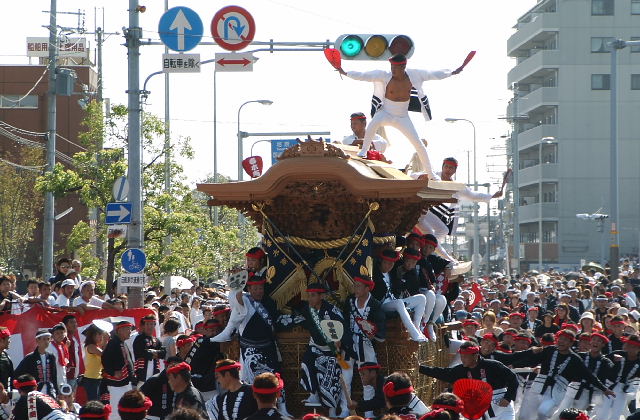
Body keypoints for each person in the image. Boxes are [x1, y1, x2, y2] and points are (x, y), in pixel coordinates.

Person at [337, 53, 471, 178]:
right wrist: (345, 72)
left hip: (402, 116)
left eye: (396, 67)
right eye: (391, 67)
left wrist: (452, 72)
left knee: (418, 144)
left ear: (403, 66)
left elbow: (434, 74)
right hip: (385, 112)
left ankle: (431, 174)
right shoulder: (384, 75)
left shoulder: (415, 75)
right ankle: (364, 151)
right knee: (372, 124)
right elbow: (364, 75)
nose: (393, 70)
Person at [506, 329, 614, 420]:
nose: (561, 341)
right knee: (524, 416)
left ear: (571, 343)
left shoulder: (575, 359)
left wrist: (604, 389)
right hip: (537, 387)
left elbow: (588, 375)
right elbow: (532, 360)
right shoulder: (549, 350)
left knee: (543, 412)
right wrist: (514, 365)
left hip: (555, 393)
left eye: (565, 340)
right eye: (560, 338)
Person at [415, 157, 503, 262]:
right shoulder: (432, 176)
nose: (448, 170)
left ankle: (428, 247)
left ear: (454, 171)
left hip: (425, 213)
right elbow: (412, 176)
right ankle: (445, 257)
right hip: (416, 211)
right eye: (446, 167)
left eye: (451, 168)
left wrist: (493, 195)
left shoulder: (455, 186)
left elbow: (472, 195)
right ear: (442, 167)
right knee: (431, 232)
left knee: (443, 230)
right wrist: (421, 176)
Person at [419, 341, 518, 420]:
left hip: (501, 405)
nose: (462, 359)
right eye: (461, 356)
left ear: (475, 356)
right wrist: (420, 368)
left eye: (465, 356)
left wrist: (508, 397)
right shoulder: (462, 370)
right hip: (481, 410)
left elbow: (513, 379)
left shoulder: (493, 365)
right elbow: (443, 373)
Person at [297, 283, 352, 414]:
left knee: (330, 376)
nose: (309, 298)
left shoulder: (332, 311)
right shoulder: (308, 309)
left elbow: (343, 332)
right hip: (315, 346)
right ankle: (313, 393)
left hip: (332, 351)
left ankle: (332, 411)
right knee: (306, 362)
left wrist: (339, 342)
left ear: (321, 296)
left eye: (313, 296)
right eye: (309, 295)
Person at [342, 275, 386, 399]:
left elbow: (380, 329)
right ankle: (346, 409)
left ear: (367, 289)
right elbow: (344, 321)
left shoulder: (375, 305)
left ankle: (369, 413)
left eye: (359, 286)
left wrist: (373, 334)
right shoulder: (349, 301)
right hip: (349, 343)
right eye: (354, 285)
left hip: (366, 345)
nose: (355, 289)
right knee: (345, 377)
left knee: (368, 379)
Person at [553, 332, 612, 417]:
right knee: (560, 412)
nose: (595, 342)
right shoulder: (579, 356)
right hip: (572, 388)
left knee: (577, 415)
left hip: (588, 392)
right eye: (593, 340)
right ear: (590, 342)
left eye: (599, 341)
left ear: (603, 345)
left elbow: (608, 377)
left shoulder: (606, 362)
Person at [376, 249, 427, 342]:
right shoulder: (375, 274)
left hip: (394, 301)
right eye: (386, 263)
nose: (388, 266)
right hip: (382, 305)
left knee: (421, 298)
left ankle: (417, 327)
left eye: (391, 264)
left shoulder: (392, 273)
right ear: (381, 261)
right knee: (399, 303)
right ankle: (414, 333)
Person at [593, 334, 640, 420]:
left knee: (616, 413)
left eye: (635, 347)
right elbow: (602, 362)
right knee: (603, 410)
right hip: (609, 386)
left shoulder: (639, 362)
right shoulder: (617, 354)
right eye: (629, 346)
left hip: (624, 390)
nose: (631, 349)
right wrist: (612, 360)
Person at [418, 235, 456, 341]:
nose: (427, 249)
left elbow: (449, 263)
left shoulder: (432, 258)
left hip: (427, 291)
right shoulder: (414, 255)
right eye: (426, 245)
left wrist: (448, 268)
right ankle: (421, 326)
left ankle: (429, 324)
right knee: (430, 294)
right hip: (415, 291)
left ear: (434, 250)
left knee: (442, 299)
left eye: (431, 247)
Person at [102, 321, 136, 420]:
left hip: (125, 382)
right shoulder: (113, 343)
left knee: (125, 408)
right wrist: (113, 372)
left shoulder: (122, 343)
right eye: (127, 329)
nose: (130, 332)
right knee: (116, 411)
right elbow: (105, 359)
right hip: (115, 384)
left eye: (130, 329)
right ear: (120, 330)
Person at [14, 329, 58, 397]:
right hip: (35, 390)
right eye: (44, 339)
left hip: (50, 390)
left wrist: (56, 391)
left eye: (48, 339)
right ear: (37, 341)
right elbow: (18, 373)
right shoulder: (30, 358)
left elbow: (54, 376)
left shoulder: (51, 357)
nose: (46, 342)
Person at [133, 315, 165, 383]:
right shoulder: (139, 338)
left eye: (151, 324)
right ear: (144, 325)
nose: (149, 326)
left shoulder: (156, 340)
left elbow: (163, 353)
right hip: (142, 373)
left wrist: (151, 352)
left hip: (154, 371)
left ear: (154, 326)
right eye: (147, 324)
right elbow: (141, 353)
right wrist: (156, 353)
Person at [82, 324, 109, 402]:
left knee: (98, 401)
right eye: (99, 335)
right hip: (91, 379)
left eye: (102, 335)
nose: (101, 337)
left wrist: (105, 341)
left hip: (97, 378)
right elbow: (105, 354)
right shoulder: (91, 346)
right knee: (94, 402)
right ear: (92, 335)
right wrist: (106, 340)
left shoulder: (96, 346)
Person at [47, 324, 69, 390]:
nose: (60, 335)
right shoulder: (49, 347)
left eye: (62, 333)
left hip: (62, 378)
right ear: (52, 335)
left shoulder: (63, 346)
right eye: (57, 333)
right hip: (53, 379)